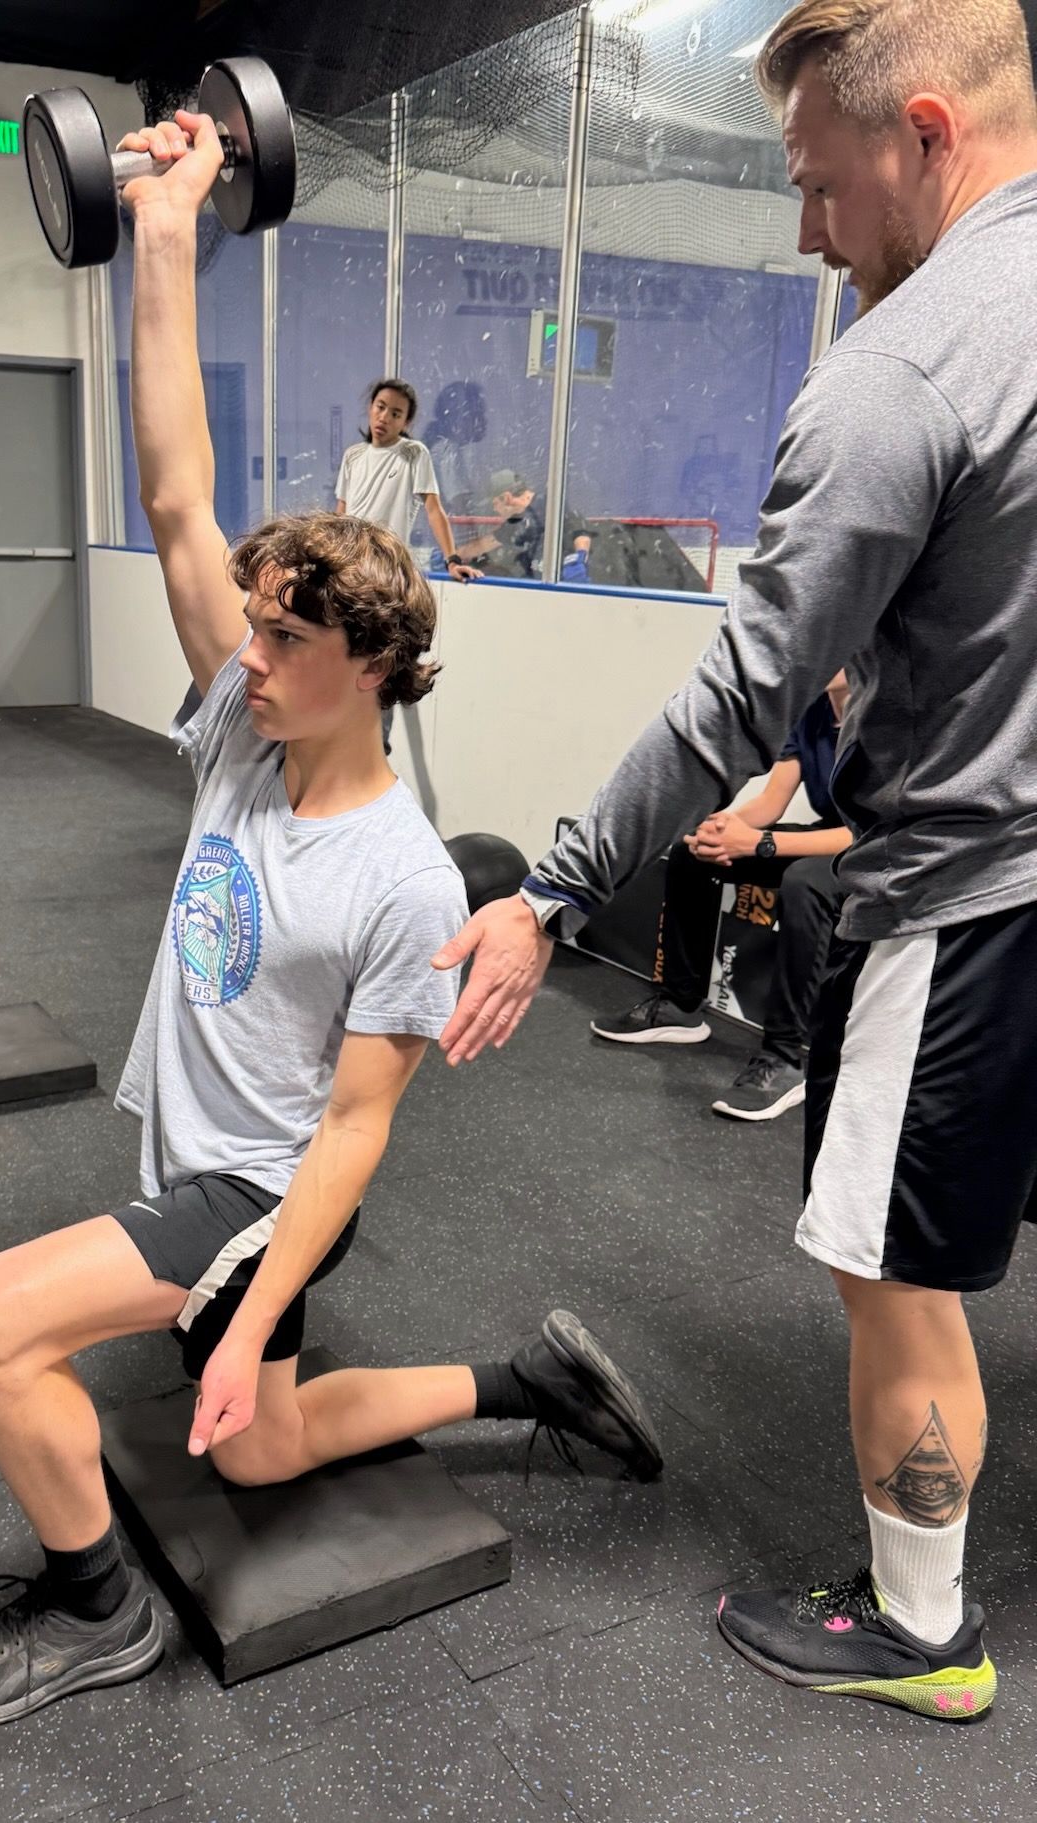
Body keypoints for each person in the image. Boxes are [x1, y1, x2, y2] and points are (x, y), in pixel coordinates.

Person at [0, 109, 662, 1731]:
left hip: (255, 1190)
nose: (248, 656)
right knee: (257, 1440)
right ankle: (526, 1385)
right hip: (208, 1164)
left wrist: (246, 1303)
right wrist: (166, 222)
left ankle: (94, 1606)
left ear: (369, 666)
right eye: (250, 627)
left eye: (283, 639)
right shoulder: (244, 737)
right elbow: (180, 487)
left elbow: (354, 1138)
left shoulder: (400, 876)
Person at [433, 0, 1037, 1722]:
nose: (803, 231)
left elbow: (736, 699)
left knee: (897, 1271)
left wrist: (551, 898)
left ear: (922, 131)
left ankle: (923, 1626)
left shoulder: (904, 367)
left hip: (976, 901)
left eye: (819, 187)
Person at [592, 674, 852, 1121]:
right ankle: (681, 1005)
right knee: (695, 854)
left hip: (873, 850)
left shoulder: (883, 713)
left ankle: (784, 1058)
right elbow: (772, 801)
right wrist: (721, 829)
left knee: (805, 883)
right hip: (825, 835)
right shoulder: (812, 709)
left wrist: (760, 844)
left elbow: (863, 832)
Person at [335, 380, 481, 585]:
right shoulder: (352, 455)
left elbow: (434, 510)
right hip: (350, 569)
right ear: (371, 407)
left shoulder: (414, 453)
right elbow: (342, 511)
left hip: (387, 573)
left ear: (406, 422)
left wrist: (453, 561)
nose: (384, 417)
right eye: (380, 407)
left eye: (395, 414)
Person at [458, 471, 544, 580]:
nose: (494, 509)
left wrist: (452, 557)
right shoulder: (548, 502)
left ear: (506, 498)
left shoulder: (521, 521)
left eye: (495, 504)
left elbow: (481, 546)